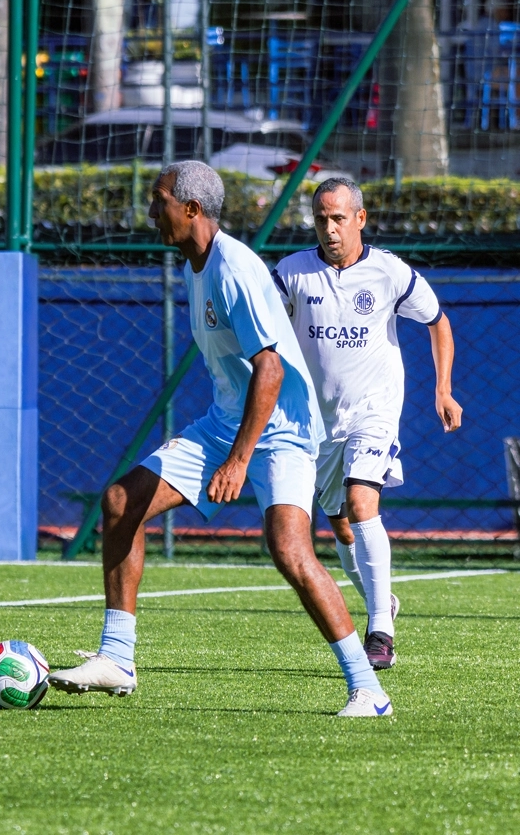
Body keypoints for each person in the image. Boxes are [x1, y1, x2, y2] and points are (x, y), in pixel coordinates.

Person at [49, 161, 393, 717]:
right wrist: (228, 443)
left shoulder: (234, 268)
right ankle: (117, 657)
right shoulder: (195, 261)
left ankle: (369, 688)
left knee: (290, 551)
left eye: (158, 200)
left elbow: (271, 368)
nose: (151, 211)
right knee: (120, 503)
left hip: (281, 431)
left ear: (190, 209)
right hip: (225, 423)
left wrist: (238, 460)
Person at [272, 178, 462, 670]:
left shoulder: (388, 272)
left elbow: (438, 321)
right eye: (320, 219)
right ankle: (384, 597)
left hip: (373, 411)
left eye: (339, 218)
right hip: (317, 422)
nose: (330, 229)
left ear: (360, 219)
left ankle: (381, 630)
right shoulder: (291, 274)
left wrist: (443, 389)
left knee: (361, 502)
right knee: (339, 523)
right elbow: (263, 332)